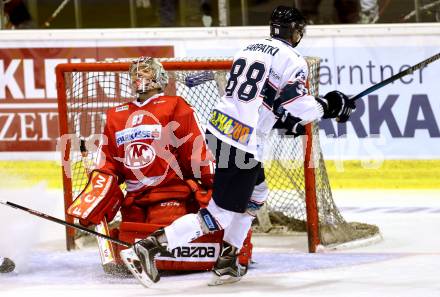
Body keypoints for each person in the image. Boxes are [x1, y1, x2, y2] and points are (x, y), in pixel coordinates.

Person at [121, 5, 356, 287]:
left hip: (221, 129)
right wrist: (329, 106)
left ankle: (228, 261)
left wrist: (285, 120)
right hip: (241, 143)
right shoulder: (293, 58)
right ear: (296, 32)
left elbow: (266, 99)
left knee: (257, 193)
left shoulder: (249, 48)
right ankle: (147, 247)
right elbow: (298, 104)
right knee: (220, 214)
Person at [66, 57, 253, 275]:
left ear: (160, 77)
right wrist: (95, 198)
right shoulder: (115, 115)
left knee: (157, 240)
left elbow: (196, 147)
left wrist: (215, 183)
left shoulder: (176, 105)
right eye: (134, 72)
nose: (138, 76)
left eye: (144, 71)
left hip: (170, 196)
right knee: (127, 243)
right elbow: (108, 164)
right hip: (135, 201)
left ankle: (233, 249)